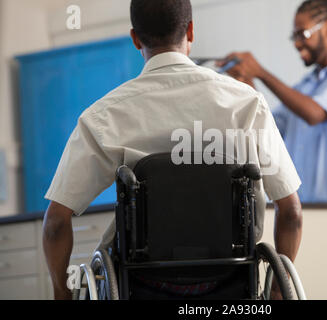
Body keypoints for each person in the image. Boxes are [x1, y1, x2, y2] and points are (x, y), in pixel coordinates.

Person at [42, 0, 302, 300]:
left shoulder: (104, 116)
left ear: (135, 38)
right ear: (190, 31)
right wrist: (276, 292)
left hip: (140, 287)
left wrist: (61, 292)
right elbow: (292, 213)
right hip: (230, 287)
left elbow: (56, 223)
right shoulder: (247, 104)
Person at [220, 0, 327, 300]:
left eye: (302, 34)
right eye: (293, 36)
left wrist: (263, 73)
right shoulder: (304, 87)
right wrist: (247, 86)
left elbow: (315, 114)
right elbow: (268, 127)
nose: (297, 43)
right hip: (309, 222)